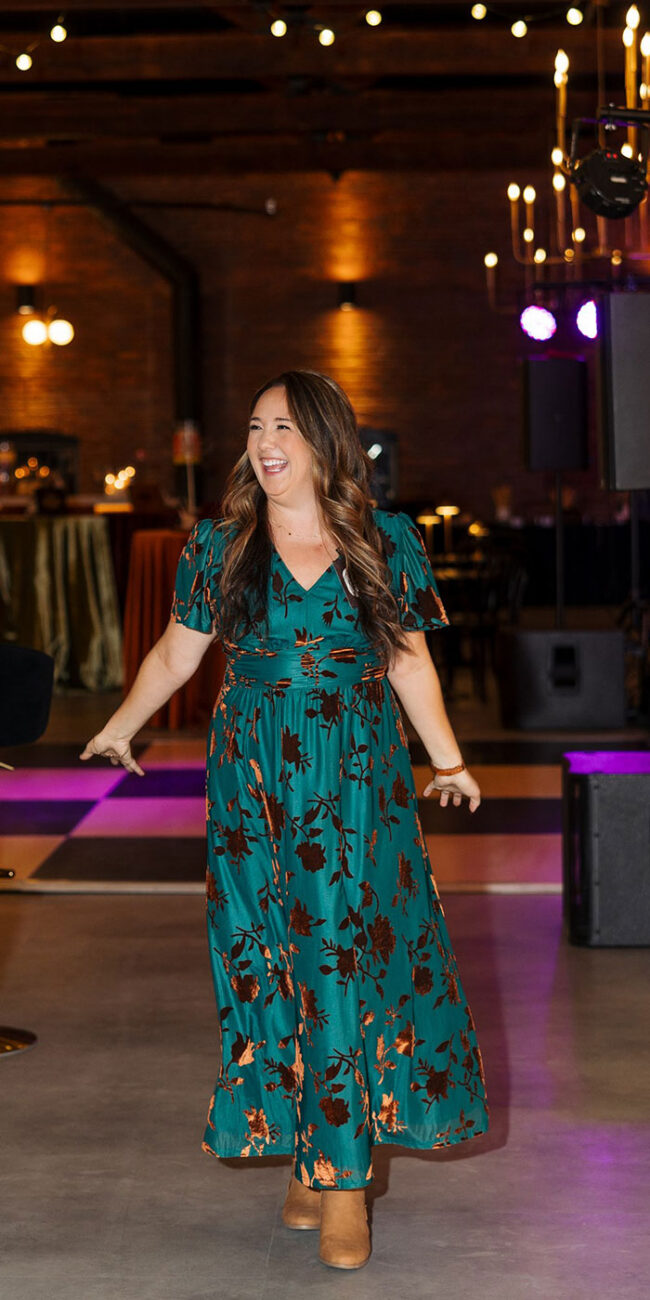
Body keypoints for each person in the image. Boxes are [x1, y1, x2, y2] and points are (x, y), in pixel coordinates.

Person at [81, 370, 489, 1271]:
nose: (267, 444)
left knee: (347, 953)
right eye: (258, 427)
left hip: (357, 777)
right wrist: (119, 726)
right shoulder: (220, 544)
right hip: (253, 780)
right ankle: (312, 1150)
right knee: (268, 954)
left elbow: (413, 664)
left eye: (287, 429)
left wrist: (450, 762)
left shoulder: (385, 540)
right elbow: (177, 653)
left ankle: (344, 1184)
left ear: (325, 442)